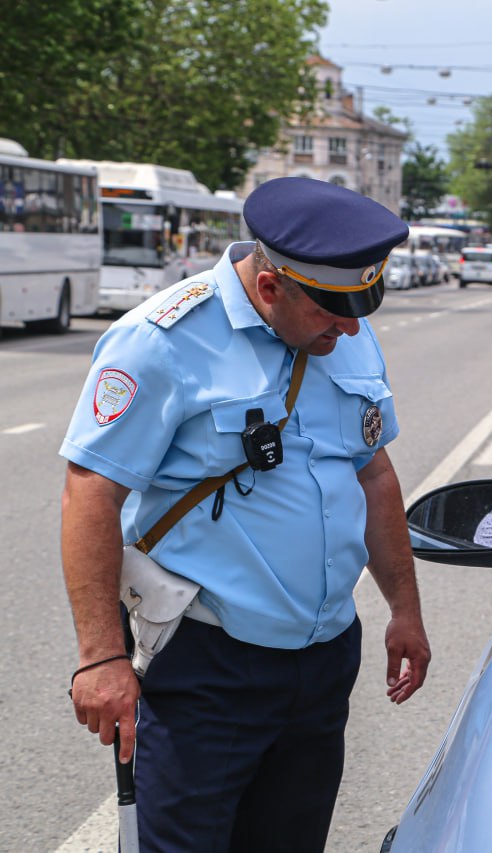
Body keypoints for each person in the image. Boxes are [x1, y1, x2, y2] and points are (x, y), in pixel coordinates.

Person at [60, 177, 432, 852]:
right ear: (270, 288)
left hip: (322, 663)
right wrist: (100, 658)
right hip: (210, 666)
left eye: (359, 307)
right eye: (333, 312)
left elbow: (373, 472)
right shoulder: (162, 340)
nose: (350, 328)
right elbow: (91, 491)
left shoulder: (345, 330)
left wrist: (404, 608)